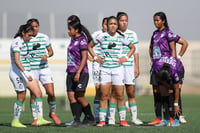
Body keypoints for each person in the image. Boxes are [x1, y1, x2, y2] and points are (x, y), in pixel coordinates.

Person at [88, 16, 135, 127]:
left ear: (117, 25)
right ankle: (102, 121)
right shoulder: (101, 36)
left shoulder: (121, 37)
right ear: (107, 25)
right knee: (104, 95)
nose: (113, 26)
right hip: (104, 70)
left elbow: (132, 47)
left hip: (118, 69)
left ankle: (123, 120)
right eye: (110, 24)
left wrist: (125, 58)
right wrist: (95, 57)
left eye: (114, 23)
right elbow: (89, 46)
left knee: (119, 95)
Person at [148, 11, 188, 126]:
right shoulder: (155, 34)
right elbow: (151, 48)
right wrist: (152, 59)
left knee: (173, 90)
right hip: (157, 67)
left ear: (163, 21)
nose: (155, 23)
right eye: (154, 20)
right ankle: (164, 118)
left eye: (158, 20)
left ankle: (176, 117)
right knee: (161, 91)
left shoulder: (168, 33)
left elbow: (183, 44)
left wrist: (177, 58)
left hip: (169, 67)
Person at [9, 24, 51, 128]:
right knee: (21, 96)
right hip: (18, 73)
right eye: (29, 35)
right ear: (23, 33)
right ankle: (15, 121)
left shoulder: (26, 41)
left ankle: (39, 119)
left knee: (38, 93)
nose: (31, 37)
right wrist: (26, 73)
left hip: (27, 73)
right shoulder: (17, 42)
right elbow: (17, 61)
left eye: (32, 35)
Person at [107, 11, 143, 126]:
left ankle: (134, 118)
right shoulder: (113, 34)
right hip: (117, 67)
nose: (124, 23)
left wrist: (137, 67)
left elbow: (135, 52)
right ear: (118, 22)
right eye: (122, 21)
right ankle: (111, 118)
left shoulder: (132, 34)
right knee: (115, 93)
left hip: (129, 67)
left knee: (131, 92)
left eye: (126, 20)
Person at [26, 18, 61, 125]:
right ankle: (36, 118)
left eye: (36, 26)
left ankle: (52, 113)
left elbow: (51, 52)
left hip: (44, 69)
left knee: (51, 93)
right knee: (34, 95)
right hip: (32, 70)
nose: (35, 29)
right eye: (33, 27)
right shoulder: (26, 38)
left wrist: (47, 55)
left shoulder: (44, 37)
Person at [66, 16, 95, 127]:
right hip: (70, 72)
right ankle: (76, 120)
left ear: (76, 30)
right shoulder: (72, 39)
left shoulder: (82, 40)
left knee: (80, 96)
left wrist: (78, 72)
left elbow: (84, 57)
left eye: (70, 29)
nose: (68, 31)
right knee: (71, 96)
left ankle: (90, 118)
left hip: (81, 73)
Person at [89, 17, 108, 123]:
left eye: (108, 24)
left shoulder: (113, 36)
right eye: (105, 24)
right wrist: (94, 57)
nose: (107, 26)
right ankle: (97, 116)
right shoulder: (96, 34)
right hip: (97, 64)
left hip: (108, 65)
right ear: (102, 25)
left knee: (107, 91)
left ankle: (107, 116)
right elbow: (87, 46)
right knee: (98, 89)